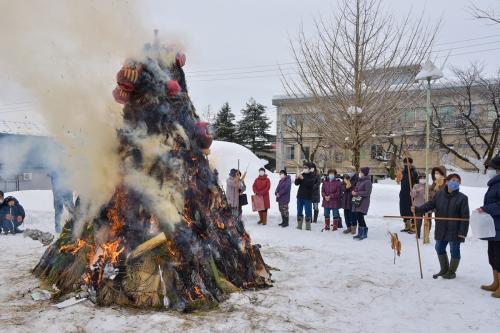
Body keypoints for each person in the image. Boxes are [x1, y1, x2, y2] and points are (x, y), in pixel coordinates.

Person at [414, 173, 469, 279]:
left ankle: (451, 272)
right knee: (439, 247)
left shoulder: (462, 198)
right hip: (442, 228)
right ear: (447, 182)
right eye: (453, 180)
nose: (455, 183)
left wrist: (462, 233)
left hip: (455, 230)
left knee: (454, 250)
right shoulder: (438, 195)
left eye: (458, 182)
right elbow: (430, 205)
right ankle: (444, 269)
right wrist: (417, 209)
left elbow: (465, 217)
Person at [477, 156, 500, 298]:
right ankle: (495, 282)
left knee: (499, 256)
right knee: (492, 256)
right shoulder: (494, 184)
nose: (489, 170)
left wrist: (486, 209)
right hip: (493, 227)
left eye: (492, 167)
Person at [352, 167, 372, 240]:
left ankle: (362, 233)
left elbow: (367, 192)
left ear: (364, 173)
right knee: (358, 217)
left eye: (361, 172)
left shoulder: (368, 182)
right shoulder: (359, 181)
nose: (359, 173)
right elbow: (356, 189)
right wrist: (354, 191)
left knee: (360, 216)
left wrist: (357, 193)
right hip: (357, 200)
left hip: (363, 202)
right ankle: (361, 233)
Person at [400, 158, 419, 233]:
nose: (406, 164)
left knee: (412, 209)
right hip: (404, 193)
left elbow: (417, 183)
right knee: (404, 209)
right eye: (405, 163)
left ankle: (414, 226)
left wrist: (415, 190)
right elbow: (399, 180)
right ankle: (407, 226)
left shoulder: (414, 172)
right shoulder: (402, 172)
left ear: (411, 163)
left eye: (408, 163)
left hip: (412, 194)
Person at [295, 163, 316, 230]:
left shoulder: (312, 175)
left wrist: (303, 178)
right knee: (299, 211)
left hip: (308, 197)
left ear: (309, 169)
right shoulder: (302, 174)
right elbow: (296, 183)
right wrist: (297, 177)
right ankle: (299, 225)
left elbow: (310, 184)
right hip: (300, 196)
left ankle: (308, 226)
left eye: (306, 167)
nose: (304, 168)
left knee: (308, 211)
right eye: (304, 167)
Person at [411, 174, 427, 239]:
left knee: (428, 221)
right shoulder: (416, 186)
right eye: (421, 177)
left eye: (424, 177)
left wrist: (427, 196)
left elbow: (433, 195)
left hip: (427, 206)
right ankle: (418, 235)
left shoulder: (428, 186)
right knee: (418, 221)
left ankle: (426, 235)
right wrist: (416, 191)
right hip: (418, 206)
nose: (422, 179)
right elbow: (412, 195)